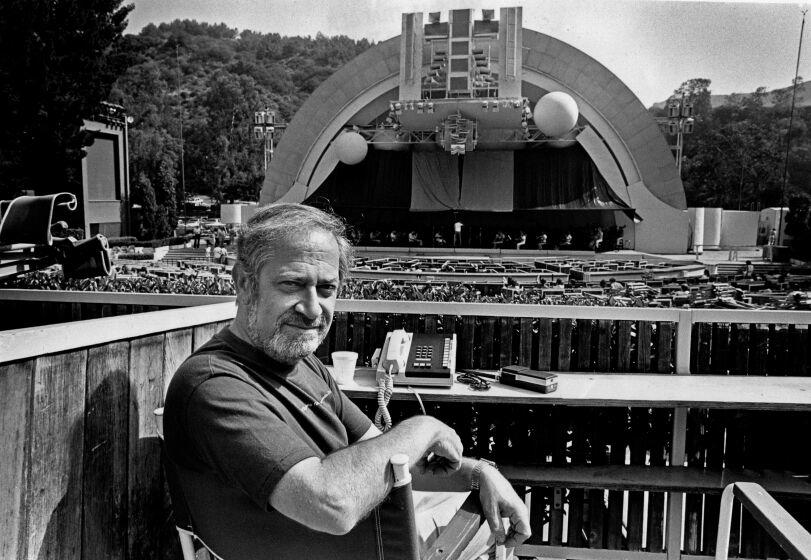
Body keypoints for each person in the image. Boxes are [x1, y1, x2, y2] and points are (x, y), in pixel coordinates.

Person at [163, 204, 530, 560]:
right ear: (244, 284)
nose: (312, 309)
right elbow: (331, 504)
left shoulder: (304, 365)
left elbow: (396, 463)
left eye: (326, 289)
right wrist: (424, 427)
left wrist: (480, 474)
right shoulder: (214, 385)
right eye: (292, 284)